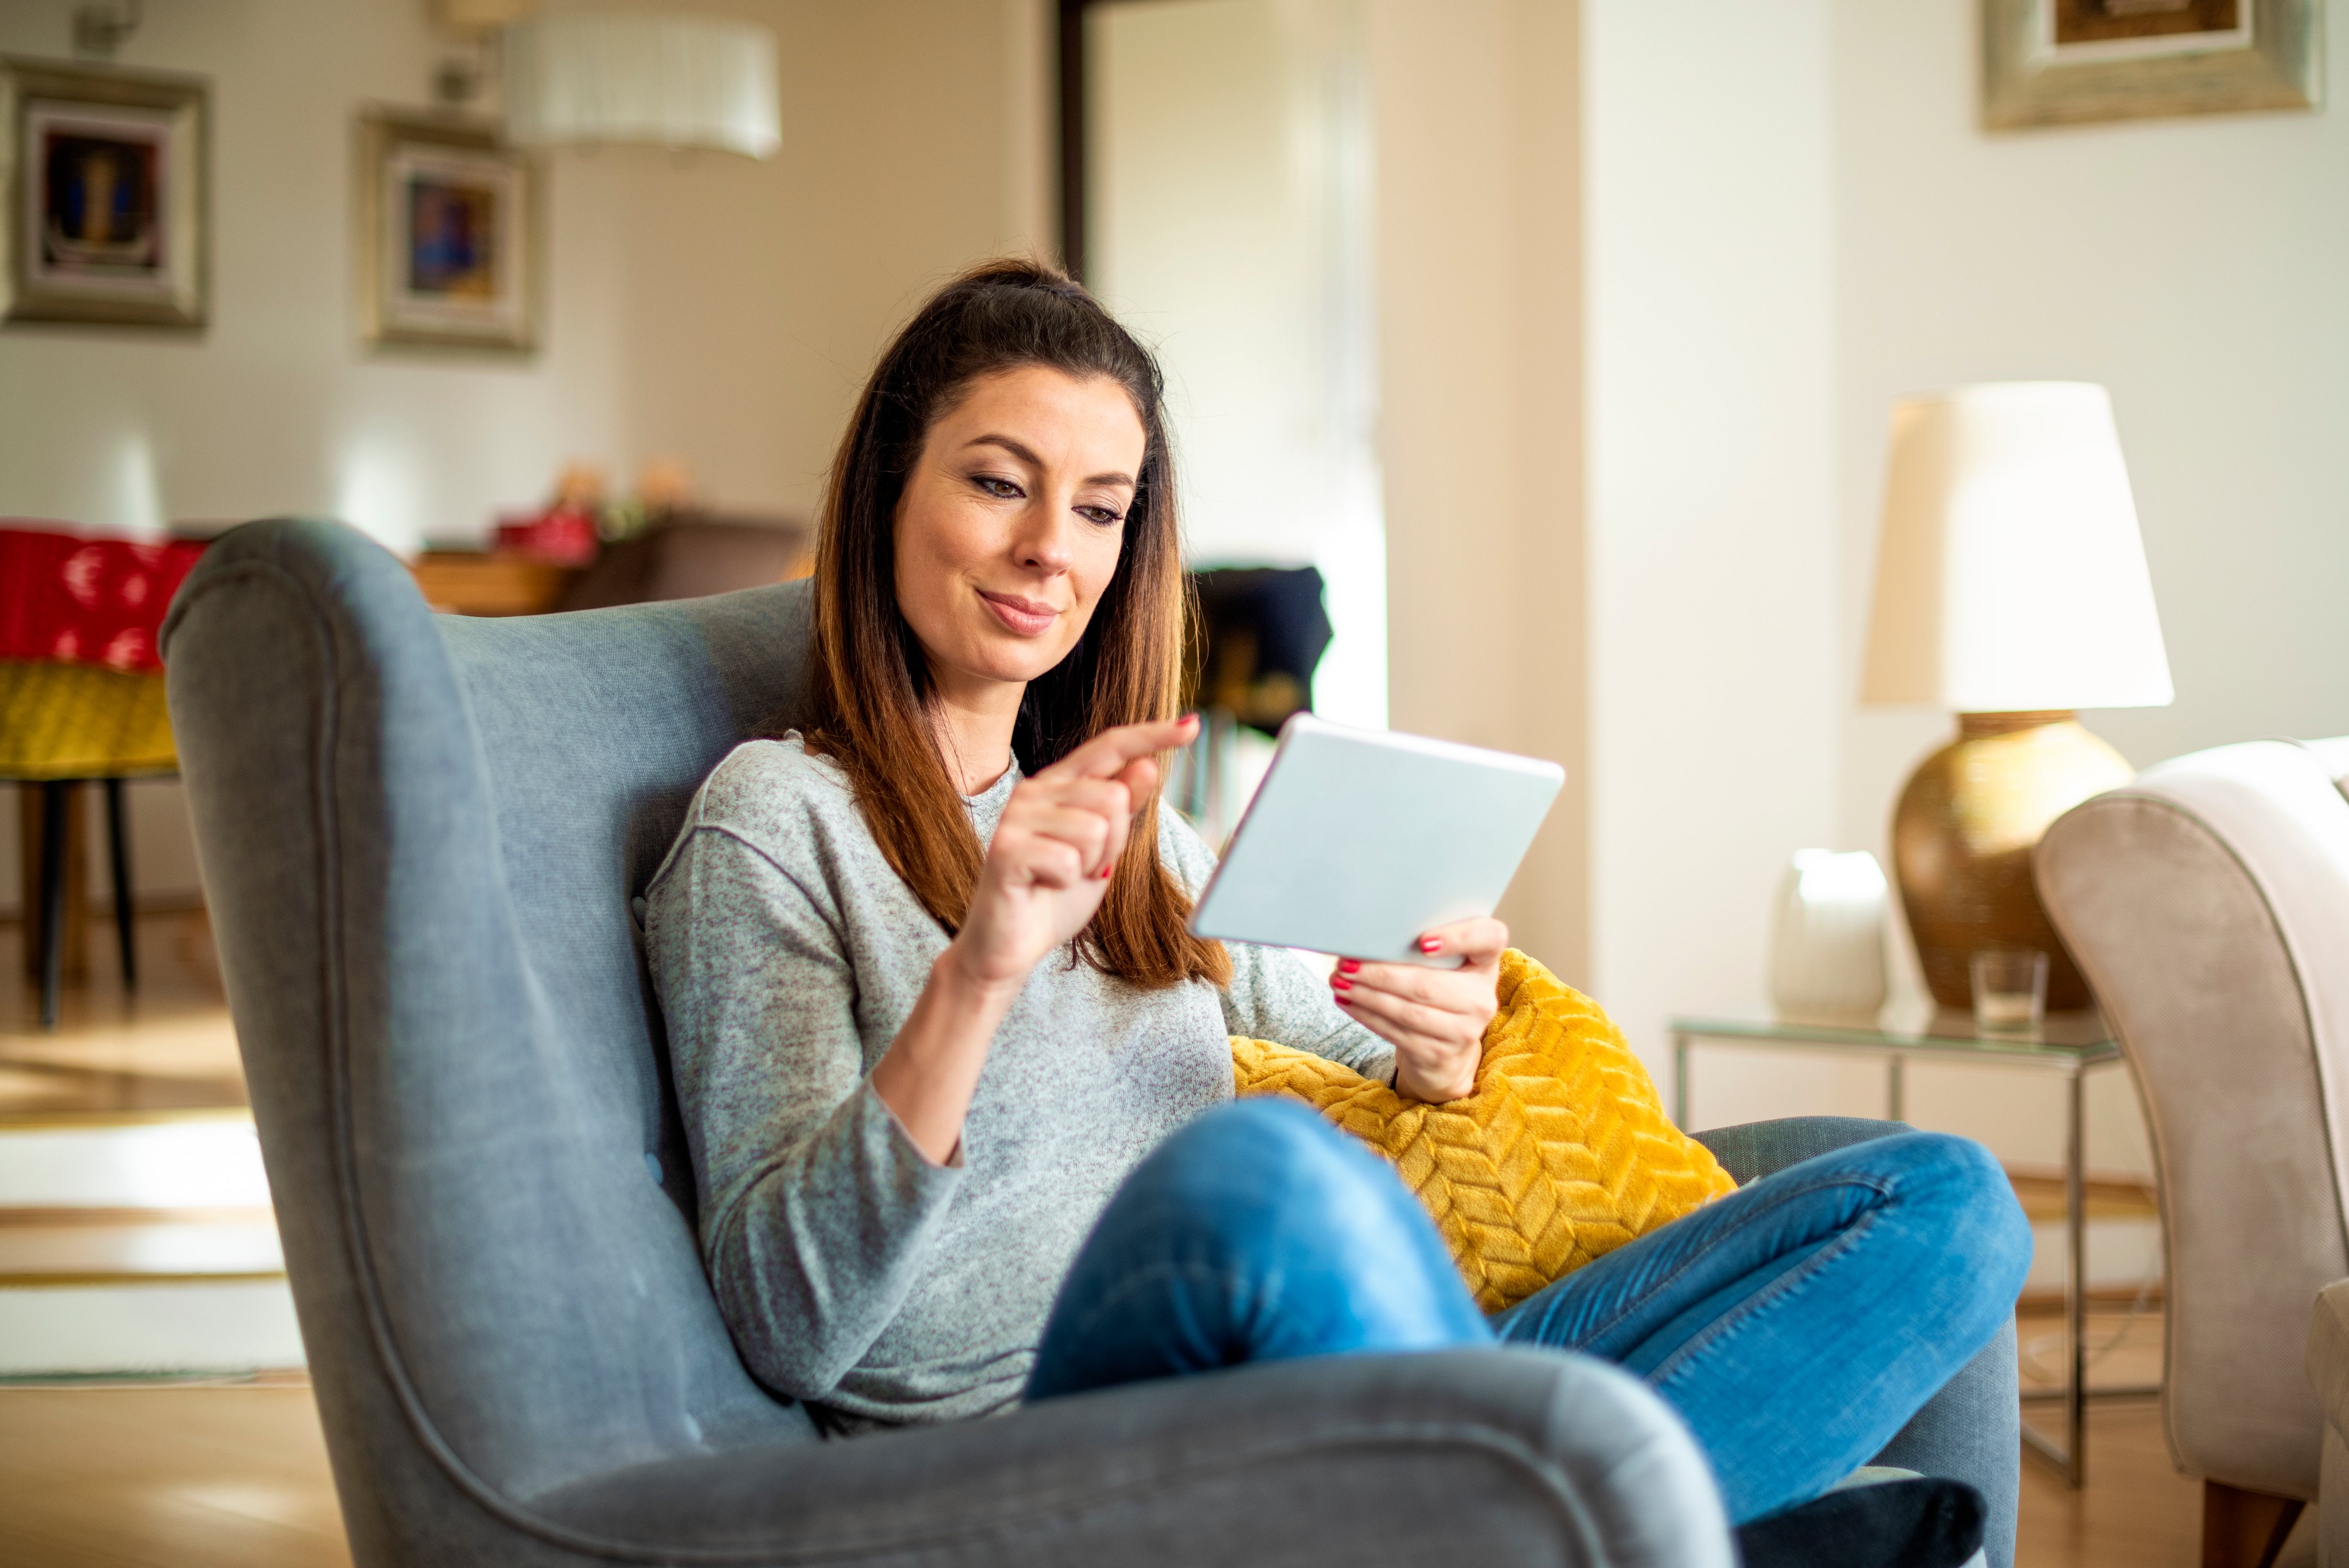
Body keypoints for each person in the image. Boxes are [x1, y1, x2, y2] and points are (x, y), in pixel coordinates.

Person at [645, 259, 2031, 1526]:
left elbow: (1359, 1035)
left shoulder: (1134, 831)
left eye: (1100, 507)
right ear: (892, 485)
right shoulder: (775, 822)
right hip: (1056, 1447)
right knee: (1256, 1167)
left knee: (1947, 1196)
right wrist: (978, 972)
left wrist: (1445, 1034)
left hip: (1345, 1403)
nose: (1049, 548)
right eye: (999, 482)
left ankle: (1530, 1530)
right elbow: (785, 1317)